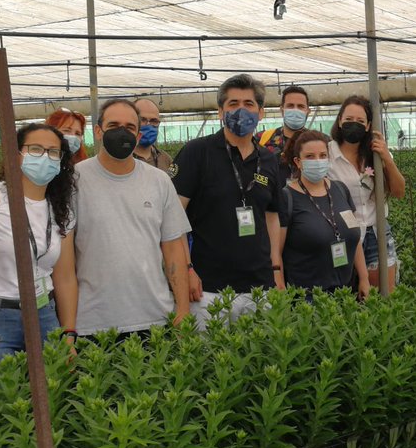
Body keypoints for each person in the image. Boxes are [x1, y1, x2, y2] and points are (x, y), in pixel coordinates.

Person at [0, 123, 78, 362]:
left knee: (52, 391)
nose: (45, 157)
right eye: (35, 149)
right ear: (16, 154)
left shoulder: (62, 209)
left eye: (53, 152)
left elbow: (65, 277)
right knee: (0, 391)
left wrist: (68, 332)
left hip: (45, 315)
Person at [73, 98, 192, 336]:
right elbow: (64, 257)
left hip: (155, 317)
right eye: (113, 125)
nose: (121, 133)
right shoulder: (75, 180)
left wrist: (183, 308)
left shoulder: (159, 181)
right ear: (98, 131)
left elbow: (173, 247)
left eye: (129, 128)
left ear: (138, 136)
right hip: (92, 321)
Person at [172, 74, 283, 319]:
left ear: (261, 112)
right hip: (208, 289)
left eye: (248, 104)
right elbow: (173, 217)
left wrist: (276, 268)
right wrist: (187, 269)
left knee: (259, 356)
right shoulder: (197, 152)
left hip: (260, 288)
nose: (241, 110)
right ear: (221, 111)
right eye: (233, 104)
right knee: (209, 356)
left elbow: (272, 216)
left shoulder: (268, 160)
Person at [277, 129, 370, 297]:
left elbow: (354, 238)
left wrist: (364, 278)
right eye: (310, 157)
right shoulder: (287, 197)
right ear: (298, 161)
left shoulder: (340, 189)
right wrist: (280, 288)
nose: (318, 161)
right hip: (306, 297)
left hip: (346, 292)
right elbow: (276, 251)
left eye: (322, 155)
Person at [328, 95, 406, 293]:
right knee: (348, 295)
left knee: (384, 295)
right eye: (348, 120)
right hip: (341, 234)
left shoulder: (374, 153)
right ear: (339, 121)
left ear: (368, 125)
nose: (353, 125)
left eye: (360, 121)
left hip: (376, 232)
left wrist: (386, 157)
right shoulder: (327, 154)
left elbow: (399, 191)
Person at [257, 84, 310, 179]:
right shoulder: (262, 138)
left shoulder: (319, 141)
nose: (295, 110)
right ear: (282, 110)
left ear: (308, 111)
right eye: (290, 106)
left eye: (301, 106)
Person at [133, 98, 173, 174]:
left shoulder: (165, 159)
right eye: (142, 120)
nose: (148, 125)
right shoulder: (122, 159)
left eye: (154, 121)